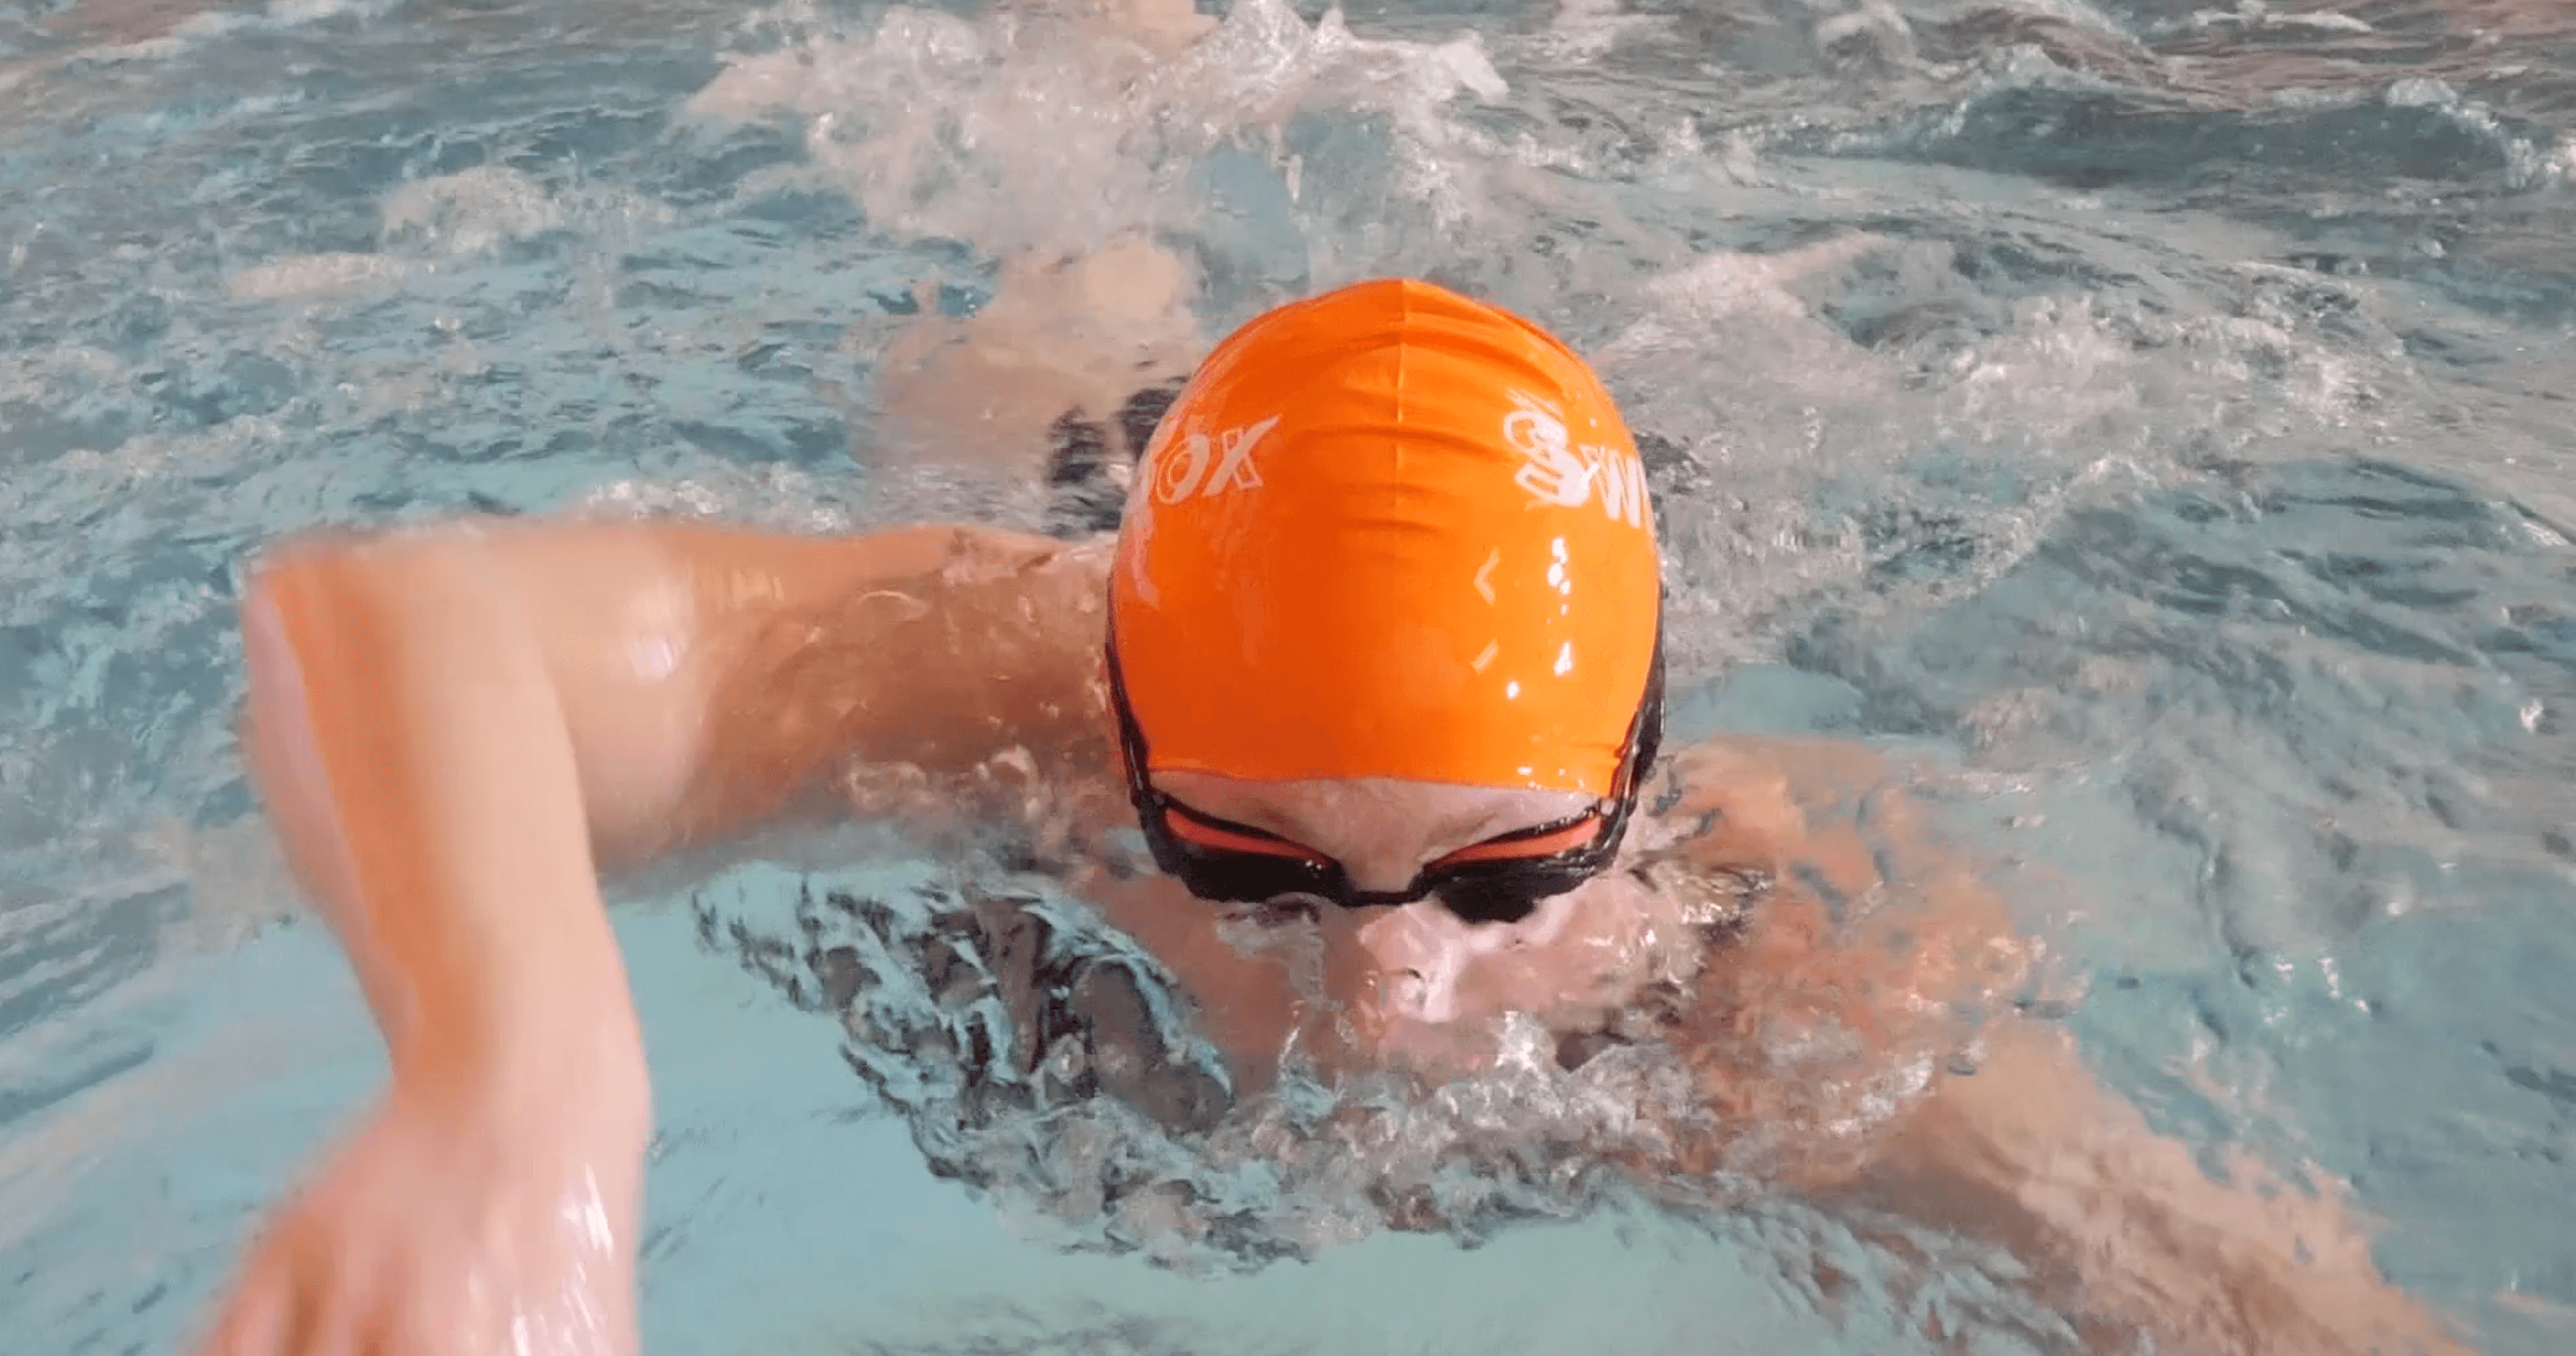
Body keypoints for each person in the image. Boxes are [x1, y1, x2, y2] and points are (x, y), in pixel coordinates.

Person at [196, 275, 2475, 1356]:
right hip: (1081, 478)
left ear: (1639, 800)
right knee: (1047, 308)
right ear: (1120, 754)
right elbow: (388, 617)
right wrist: (516, 1081)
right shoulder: (990, 685)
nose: (1395, 980)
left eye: (1503, 876)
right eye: (1251, 864)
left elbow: (2241, 1287)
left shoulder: (1794, 957)